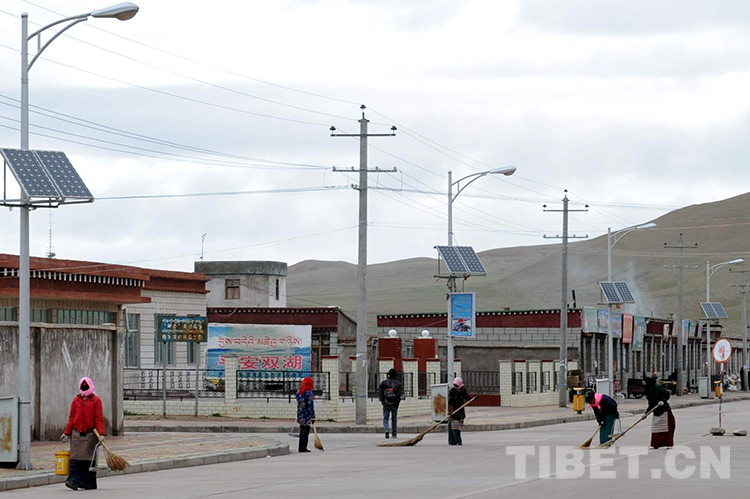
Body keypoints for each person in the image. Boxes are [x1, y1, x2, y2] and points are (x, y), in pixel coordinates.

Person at [62, 376, 105, 491]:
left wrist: (101, 434)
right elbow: (71, 417)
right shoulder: (76, 400)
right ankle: (73, 480)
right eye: (83, 385)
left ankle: (87, 483)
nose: (84, 387)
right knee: (75, 458)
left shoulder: (96, 400)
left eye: (86, 385)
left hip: (90, 435)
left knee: (88, 460)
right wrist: (67, 433)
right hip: (76, 434)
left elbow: (99, 418)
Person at [644, 376, 675, 449]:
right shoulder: (648, 390)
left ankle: (668, 444)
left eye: (644, 383)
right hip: (656, 411)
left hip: (664, 410)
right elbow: (651, 404)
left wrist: (663, 401)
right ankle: (656, 444)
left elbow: (666, 394)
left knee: (666, 428)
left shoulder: (658, 387)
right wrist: (646, 413)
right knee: (656, 428)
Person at [378, 368, 402, 439]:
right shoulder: (398, 384)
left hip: (386, 404)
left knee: (385, 418)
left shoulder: (384, 383)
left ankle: (386, 429)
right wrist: (396, 403)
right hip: (394, 404)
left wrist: (383, 401)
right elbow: (399, 395)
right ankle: (394, 434)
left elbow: (380, 393)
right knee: (394, 419)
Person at [295, 377, 316, 453]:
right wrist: (312, 416)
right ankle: (303, 447)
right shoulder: (309, 392)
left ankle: (300, 447)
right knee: (306, 431)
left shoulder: (298, 392)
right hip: (306, 414)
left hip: (300, 413)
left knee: (301, 430)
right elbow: (310, 405)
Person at [448, 377, 470, 445]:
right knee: (454, 427)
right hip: (454, 412)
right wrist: (450, 410)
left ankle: (456, 441)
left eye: (457, 385)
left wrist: (472, 398)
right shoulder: (452, 391)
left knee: (458, 427)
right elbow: (450, 402)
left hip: (460, 412)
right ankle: (456, 441)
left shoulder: (463, 390)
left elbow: (467, 397)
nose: (456, 386)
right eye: (455, 385)